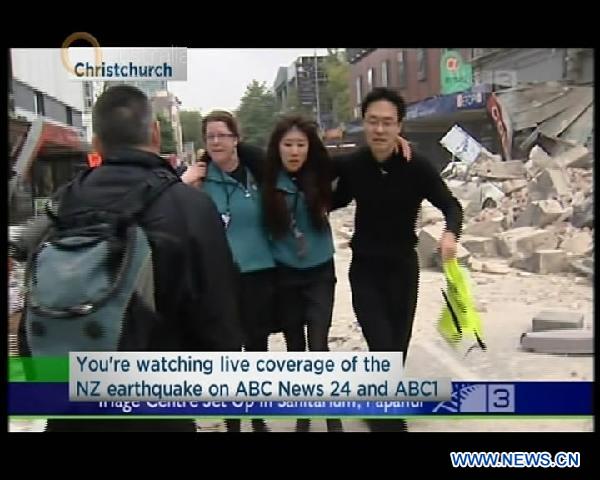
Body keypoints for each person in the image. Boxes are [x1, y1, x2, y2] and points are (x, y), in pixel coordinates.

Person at [18, 85, 242, 432]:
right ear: (154, 133)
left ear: (97, 143)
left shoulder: (60, 206)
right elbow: (221, 326)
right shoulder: (189, 206)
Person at [332, 87, 463, 432]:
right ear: (364, 123)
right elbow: (319, 178)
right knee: (383, 345)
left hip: (403, 269)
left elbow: (451, 205)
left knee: (396, 348)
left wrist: (450, 234)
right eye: (373, 121)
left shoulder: (416, 166)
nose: (379, 129)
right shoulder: (352, 163)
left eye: (387, 122)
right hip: (365, 269)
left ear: (399, 126)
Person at [190, 111, 275, 433]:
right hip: (220, 280)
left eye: (221, 135)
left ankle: (256, 418)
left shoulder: (257, 171)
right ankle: (233, 424)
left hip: (260, 274)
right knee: (226, 355)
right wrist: (184, 182)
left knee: (256, 351)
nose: (215, 141)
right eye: (209, 136)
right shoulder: (200, 180)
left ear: (235, 139)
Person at [262, 115, 342, 432]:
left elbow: (363, 158)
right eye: (288, 144)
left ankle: (332, 416)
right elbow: (227, 151)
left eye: (300, 144)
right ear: (277, 148)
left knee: (318, 346)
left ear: (309, 148)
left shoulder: (322, 175)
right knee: (295, 348)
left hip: (321, 271)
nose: (294, 151)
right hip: (286, 275)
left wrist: (397, 142)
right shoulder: (267, 180)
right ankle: (304, 415)